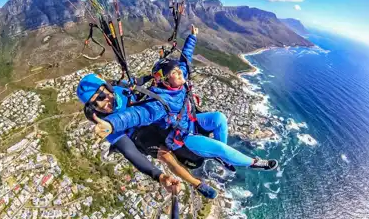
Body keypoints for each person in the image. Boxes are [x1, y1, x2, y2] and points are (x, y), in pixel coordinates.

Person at [92, 25, 279, 177]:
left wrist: (192, 37)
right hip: (183, 138)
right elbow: (137, 115)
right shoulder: (160, 103)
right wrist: (111, 124)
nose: (180, 73)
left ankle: (223, 158)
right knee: (220, 148)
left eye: (178, 71)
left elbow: (185, 60)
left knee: (220, 117)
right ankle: (253, 163)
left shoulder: (178, 82)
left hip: (191, 121)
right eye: (174, 73)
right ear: (164, 80)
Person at [77, 73, 218, 199]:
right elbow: (129, 151)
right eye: (94, 104)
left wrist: (153, 76)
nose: (102, 104)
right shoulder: (105, 124)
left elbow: (137, 82)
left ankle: (209, 143)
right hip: (137, 134)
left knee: (178, 119)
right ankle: (197, 184)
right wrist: (159, 176)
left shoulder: (121, 88)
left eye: (101, 96)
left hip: (147, 117)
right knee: (165, 155)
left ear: (108, 87)